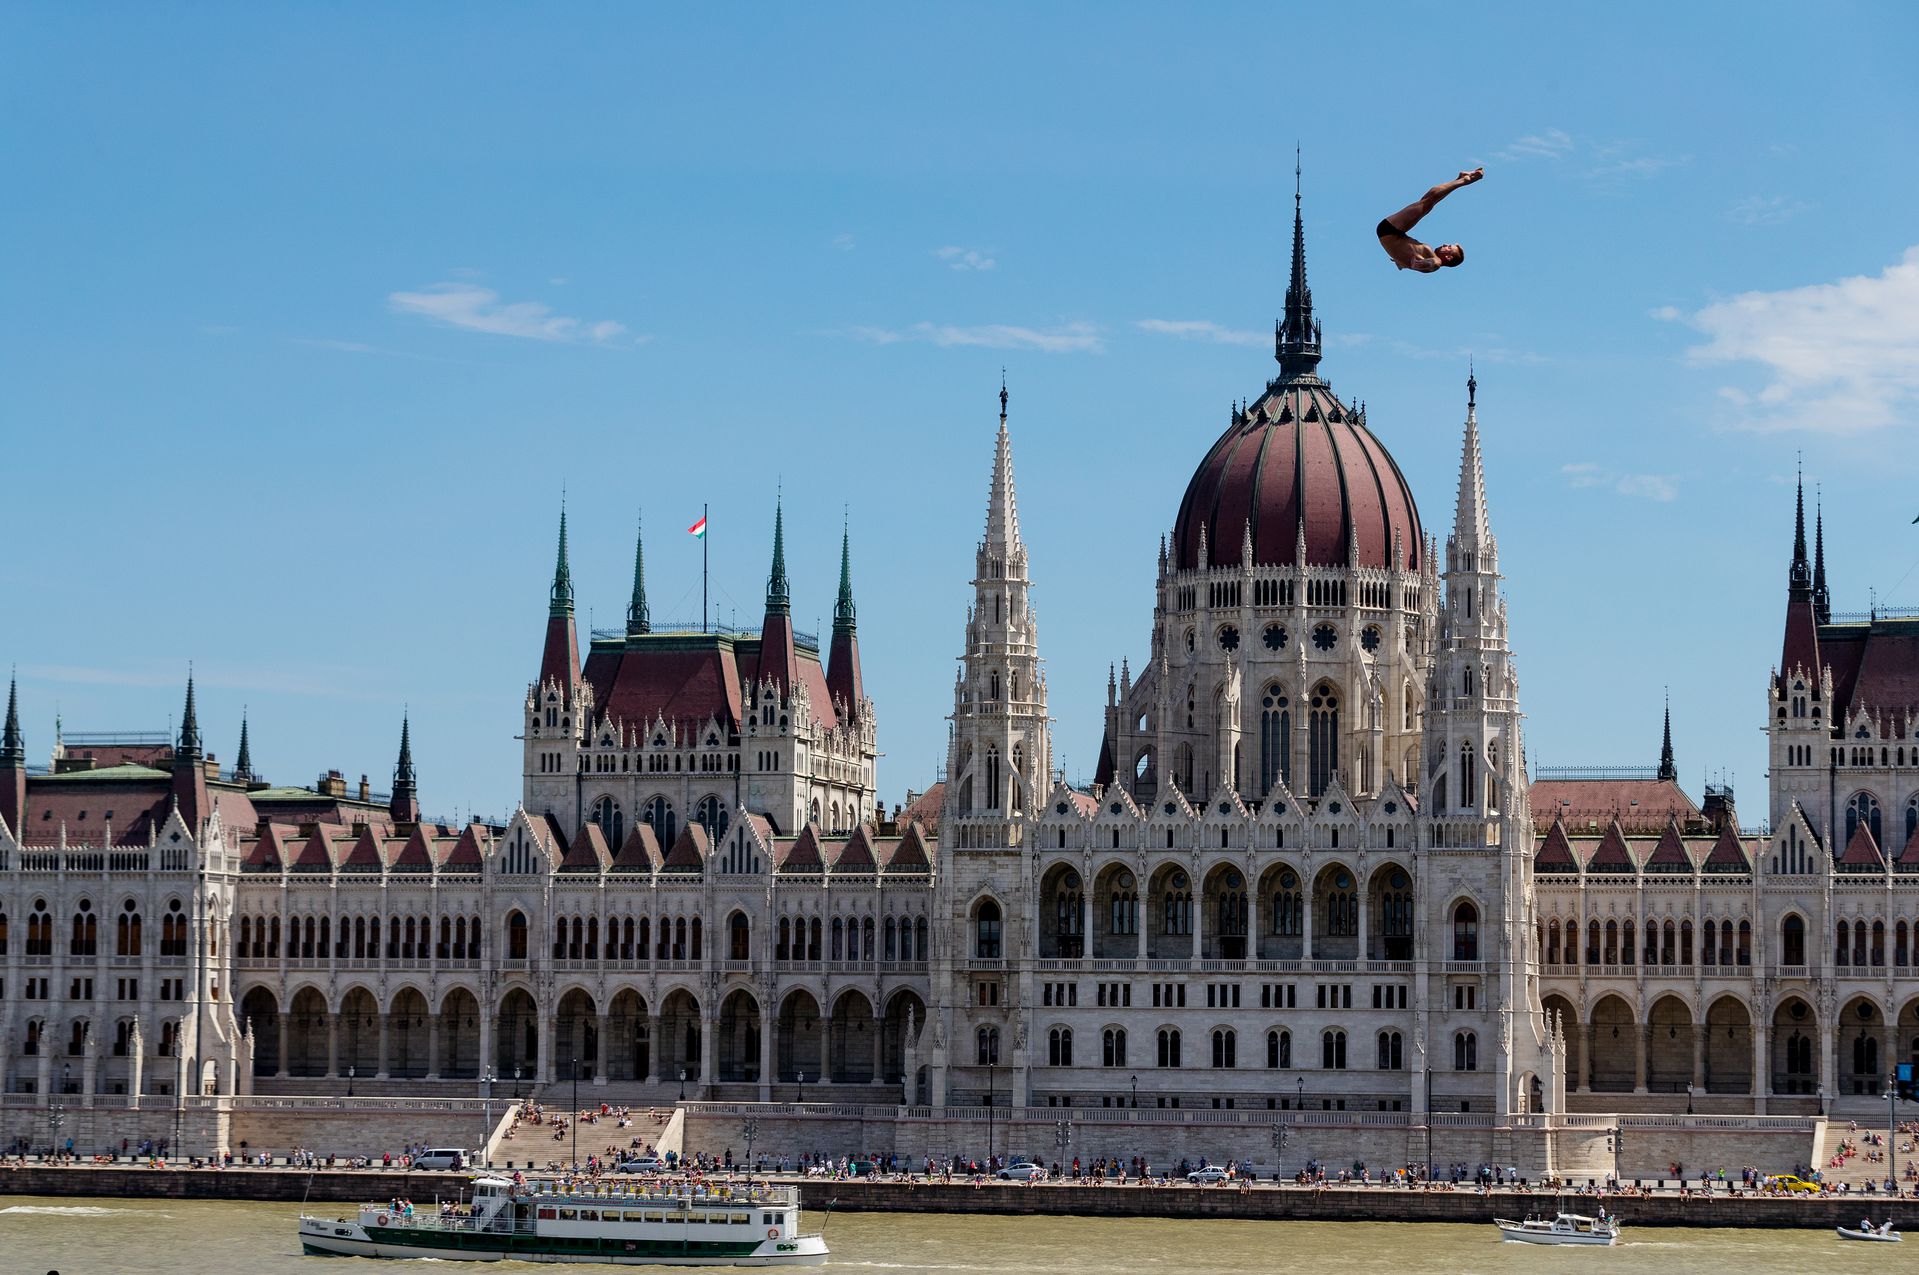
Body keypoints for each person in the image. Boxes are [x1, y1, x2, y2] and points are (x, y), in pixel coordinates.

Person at [1377, 169, 1484, 272]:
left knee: (1427, 203)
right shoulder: (1424, 255)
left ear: (1448, 257)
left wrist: (1425, 264)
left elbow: (1433, 264)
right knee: (1427, 201)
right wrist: (1400, 262)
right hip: (1391, 231)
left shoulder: (1436, 262)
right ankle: (1460, 179)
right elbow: (1403, 259)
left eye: (1449, 247)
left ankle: (1464, 180)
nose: (1445, 244)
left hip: (1391, 230)